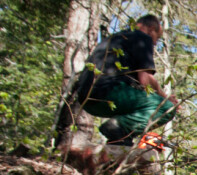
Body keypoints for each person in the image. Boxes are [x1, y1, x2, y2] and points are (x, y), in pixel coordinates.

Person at [73, 14, 177, 147]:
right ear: (151, 29)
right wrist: (166, 98)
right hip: (108, 91)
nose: (155, 43)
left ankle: (120, 138)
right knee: (166, 108)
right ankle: (118, 128)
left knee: (137, 110)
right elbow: (145, 79)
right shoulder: (142, 37)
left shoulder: (115, 39)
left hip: (87, 100)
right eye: (157, 37)